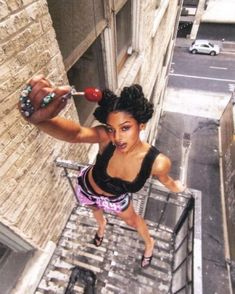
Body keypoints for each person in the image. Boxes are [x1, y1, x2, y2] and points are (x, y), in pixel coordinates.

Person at [19, 75, 185, 268]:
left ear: (141, 125)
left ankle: (149, 243)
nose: (117, 137)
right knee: (95, 210)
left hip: (115, 199)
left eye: (125, 128)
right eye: (111, 129)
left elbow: (167, 181)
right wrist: (39, 120)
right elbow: (76, 134)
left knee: (133, 221)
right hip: (88, 188)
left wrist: (177, 188)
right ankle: (102, 226)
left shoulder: (157, 163)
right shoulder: (106, 139)